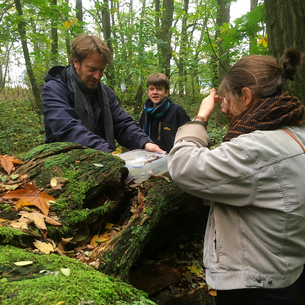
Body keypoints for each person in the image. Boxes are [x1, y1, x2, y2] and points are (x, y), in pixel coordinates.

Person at [168, 48, 305, 305]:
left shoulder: (255, 149)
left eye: (227, 101)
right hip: (288, 271)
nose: (225, 110)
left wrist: (200, 118)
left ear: (246, 96)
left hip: (255, 286)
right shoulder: (295, 131)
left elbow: (183, 166)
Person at [42, 34, 165, 154]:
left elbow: (122, 123)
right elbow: (67, 129)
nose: (97, 76)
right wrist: (105, 151)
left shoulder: (105, 93)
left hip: (103, 163)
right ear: (76, 62)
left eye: (101, 70)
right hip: (63, 166)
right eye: (92, 69)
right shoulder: (54, 90)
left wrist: (144, 143)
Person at [139, 73, 190, 153]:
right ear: (148, 92)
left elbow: (189, 136)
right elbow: (140, 136)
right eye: (152, 89)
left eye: (159, 89)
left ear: (166, 93)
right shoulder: (146, 112)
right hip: (149, 158)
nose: (155, 92)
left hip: (173, 158)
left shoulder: (177, 111)